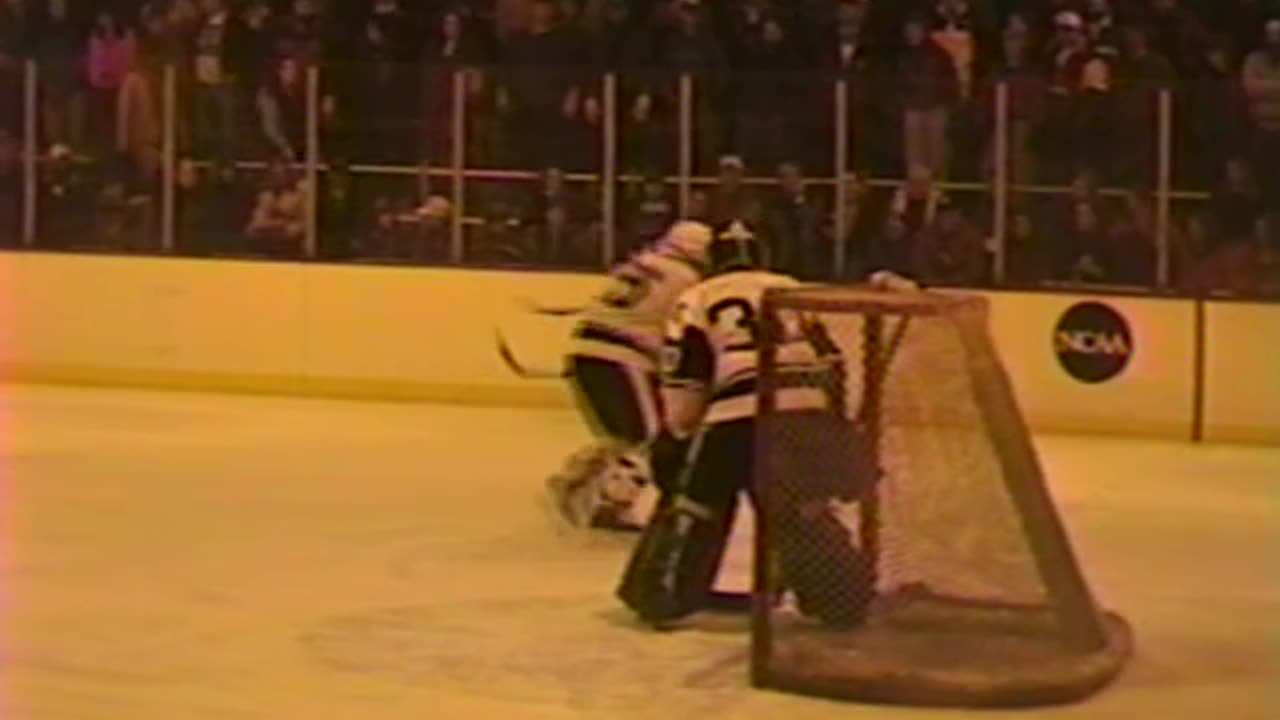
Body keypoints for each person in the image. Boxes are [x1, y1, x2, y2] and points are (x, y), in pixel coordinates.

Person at [616, 221, 907, 628]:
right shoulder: (792, 288)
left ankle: (664, 593)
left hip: (734, 414)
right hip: (806, 410)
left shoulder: (697, 296)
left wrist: (680, 438)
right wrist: (830, 424)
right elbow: (832, 361)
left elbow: (686, 380)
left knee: (697, 502)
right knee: (800, 505)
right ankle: (841, 595)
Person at [545, 220, 714, 532]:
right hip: (622, 358)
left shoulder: (640, 263)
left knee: (621, 435)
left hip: (583, 350)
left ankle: (575, 480)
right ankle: (612, 503)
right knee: (649, 438)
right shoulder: (688, 279)